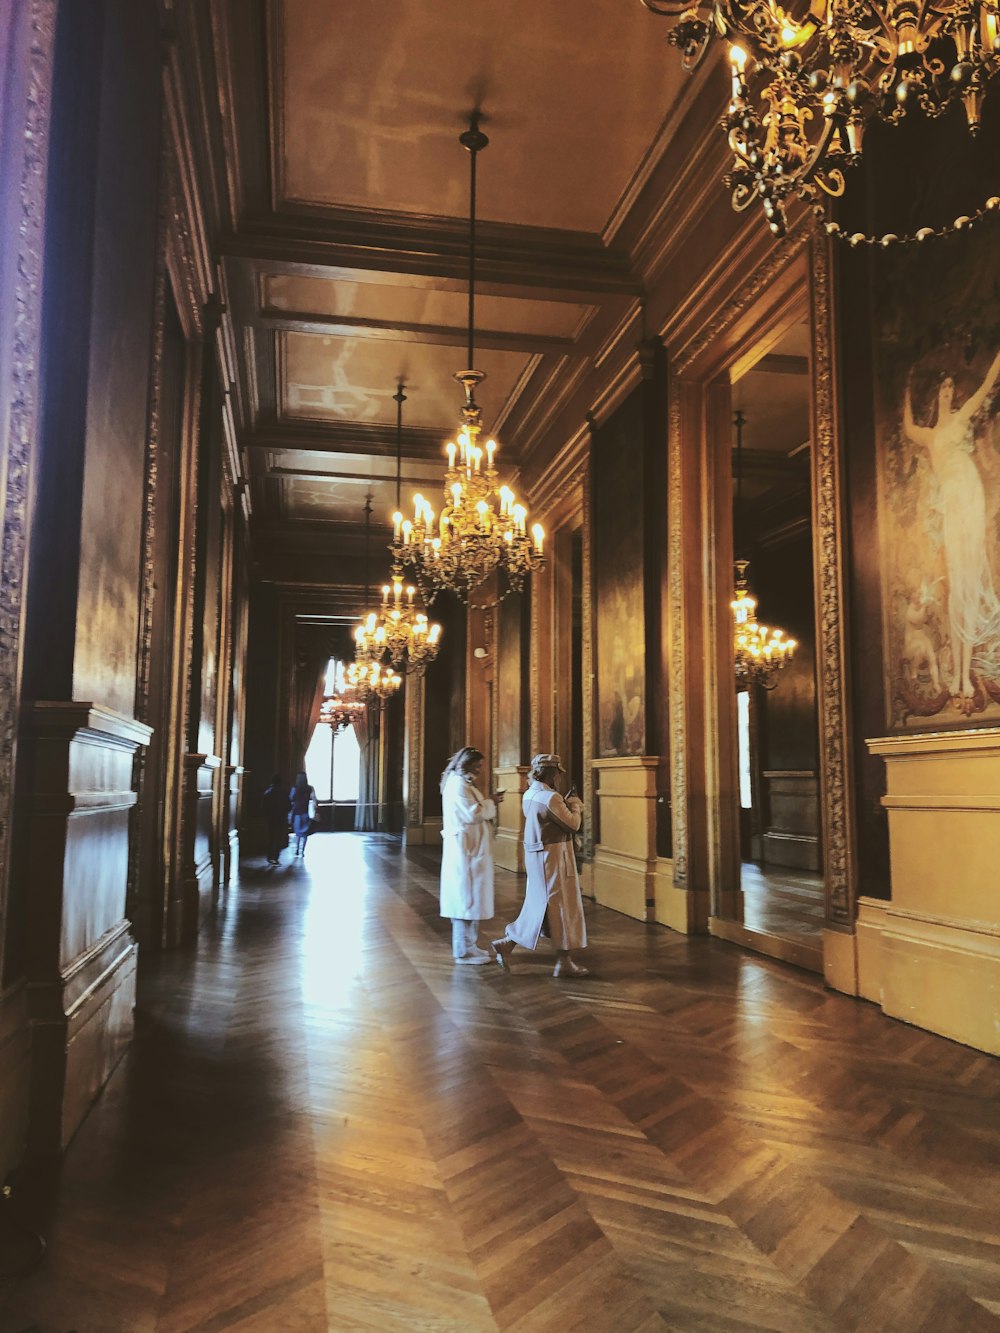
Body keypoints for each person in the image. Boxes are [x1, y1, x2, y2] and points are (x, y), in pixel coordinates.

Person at [903, 349, 1000, 700]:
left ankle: (966, 673)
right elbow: (908, 427)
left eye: (949, 387)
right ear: (935, 394)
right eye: (942, 387)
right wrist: (908, 388)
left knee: (969, 578)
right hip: (951, 499)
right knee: (958, 581)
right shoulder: (929, 435)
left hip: (968, 491)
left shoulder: (962, 418)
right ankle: (959, 678)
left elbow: (989, 382)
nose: (947, 391)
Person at [492, 753, 588, 978]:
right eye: (556, 773)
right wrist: (574, 805)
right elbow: (572, 825)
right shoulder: (550, 798)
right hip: (553, 857)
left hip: (538, 856)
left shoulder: (530, 794)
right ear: (551, 772)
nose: (558, 777)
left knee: (542, 906)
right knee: (560, 906)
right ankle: (563, 962)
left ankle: (508, 944)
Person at [439, 746, 505, 965]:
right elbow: (472, 813)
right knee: (464, 900)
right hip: (465, 850)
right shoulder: (457, 785)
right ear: (466, 764)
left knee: (471, 899)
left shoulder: (463, 783)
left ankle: (470, 946)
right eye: (477, 765)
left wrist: (489, 802)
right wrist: (491, 802)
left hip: (470, 848)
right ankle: (463, 951)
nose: (479, 769)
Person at [261, 773, 291, 866]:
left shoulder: (267, 793)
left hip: (270, 818)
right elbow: (289, 806)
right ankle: (275, 857)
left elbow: (263, 807)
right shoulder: (284, 792)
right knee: (278, 838)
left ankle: (269, 857)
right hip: (281, 818)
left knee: (270, 838)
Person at [289, 771, 317, 858]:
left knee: (297, 833)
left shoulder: (294, 788)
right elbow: (314, 800)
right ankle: (302, 851)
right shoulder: (310, 788)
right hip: (305, 813)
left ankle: (297, 849)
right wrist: (315, 810)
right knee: (305, 833)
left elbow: (291, 798)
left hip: (297, 813)